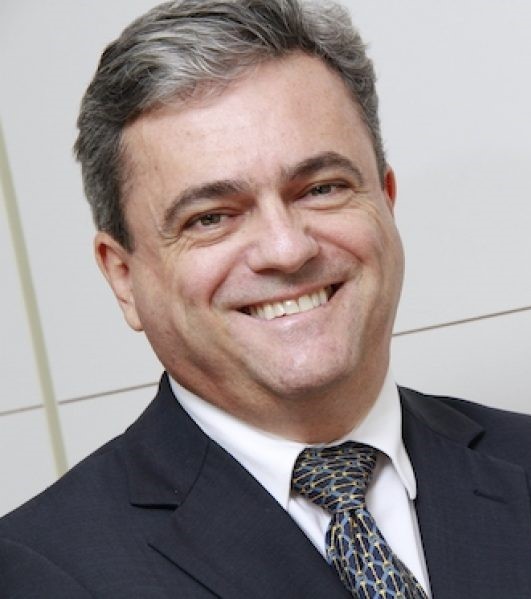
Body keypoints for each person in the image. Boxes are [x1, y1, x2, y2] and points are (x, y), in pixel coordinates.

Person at [1, 1, 530, 597]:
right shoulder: (39, 572)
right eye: (210, 218)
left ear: (385, 200)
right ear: (123, 277)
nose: (286, 249)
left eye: (321, 188)